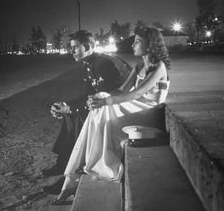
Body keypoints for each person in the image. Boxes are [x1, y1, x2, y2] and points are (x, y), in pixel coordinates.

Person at [52, 26, 171, 204]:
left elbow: (138, 93)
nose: (133, 44)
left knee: (104, 105)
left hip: (148, 110)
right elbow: (121, 90)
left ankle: (89, 166)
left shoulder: (159, 67)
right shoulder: (139, 65)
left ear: (150, 45)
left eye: (138, 41)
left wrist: (106, 102)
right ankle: (81, 169)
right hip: (136, 107)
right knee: (101, 99)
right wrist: (99, 98)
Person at [42, 30, 129, 192]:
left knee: (80, 119)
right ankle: (63, 164)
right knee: (71, 116)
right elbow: (86, 95)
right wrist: (65, 106)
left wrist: (72, 109)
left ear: (88, 46)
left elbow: (106, 98)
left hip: (119, 108)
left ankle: (69, 175)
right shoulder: (90, 63)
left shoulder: (104, 64)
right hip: (105, 105)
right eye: (71, 47)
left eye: (75, 47)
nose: (71, 51)